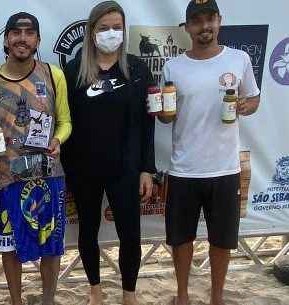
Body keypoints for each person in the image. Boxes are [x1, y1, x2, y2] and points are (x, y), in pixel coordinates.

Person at [160, 1, 260, 304]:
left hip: (225, 169)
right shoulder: (173, 66)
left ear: (219, 21)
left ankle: (217, 296)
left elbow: (254, 99)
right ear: (187, 27)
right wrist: (163, 113)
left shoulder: (239, 59)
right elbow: (167, 116)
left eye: (210, 20)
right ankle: (182, 296)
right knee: (181, 240)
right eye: (197, 21)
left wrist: (246, 106)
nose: (204, 27)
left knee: (222, 241)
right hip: (183, 169)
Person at [61, 1, 156, 304]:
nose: (111, 33)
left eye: (116, 27)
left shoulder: (138, 70)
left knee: (131, 234)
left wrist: (147, 169)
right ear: (91, 33)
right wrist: (65, 169)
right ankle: (95, 291)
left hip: (126, 169)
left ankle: (129, 294)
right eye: (103, 28)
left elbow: (147, 125)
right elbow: (65, 122)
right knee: (87, 232)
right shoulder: (73, 71)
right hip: (84, 169)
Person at [0, 12, 72, 305]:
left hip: (49, 176)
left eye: (29, 32)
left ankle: (47, 299)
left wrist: (58, 140)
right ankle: (16, 300)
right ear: (6, 39)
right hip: (8, 178)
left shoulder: (53, 74)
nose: (22, 38)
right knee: (9, 246)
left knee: (52, 246)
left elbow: (66, 122)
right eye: (16, 33)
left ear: (38, 39)